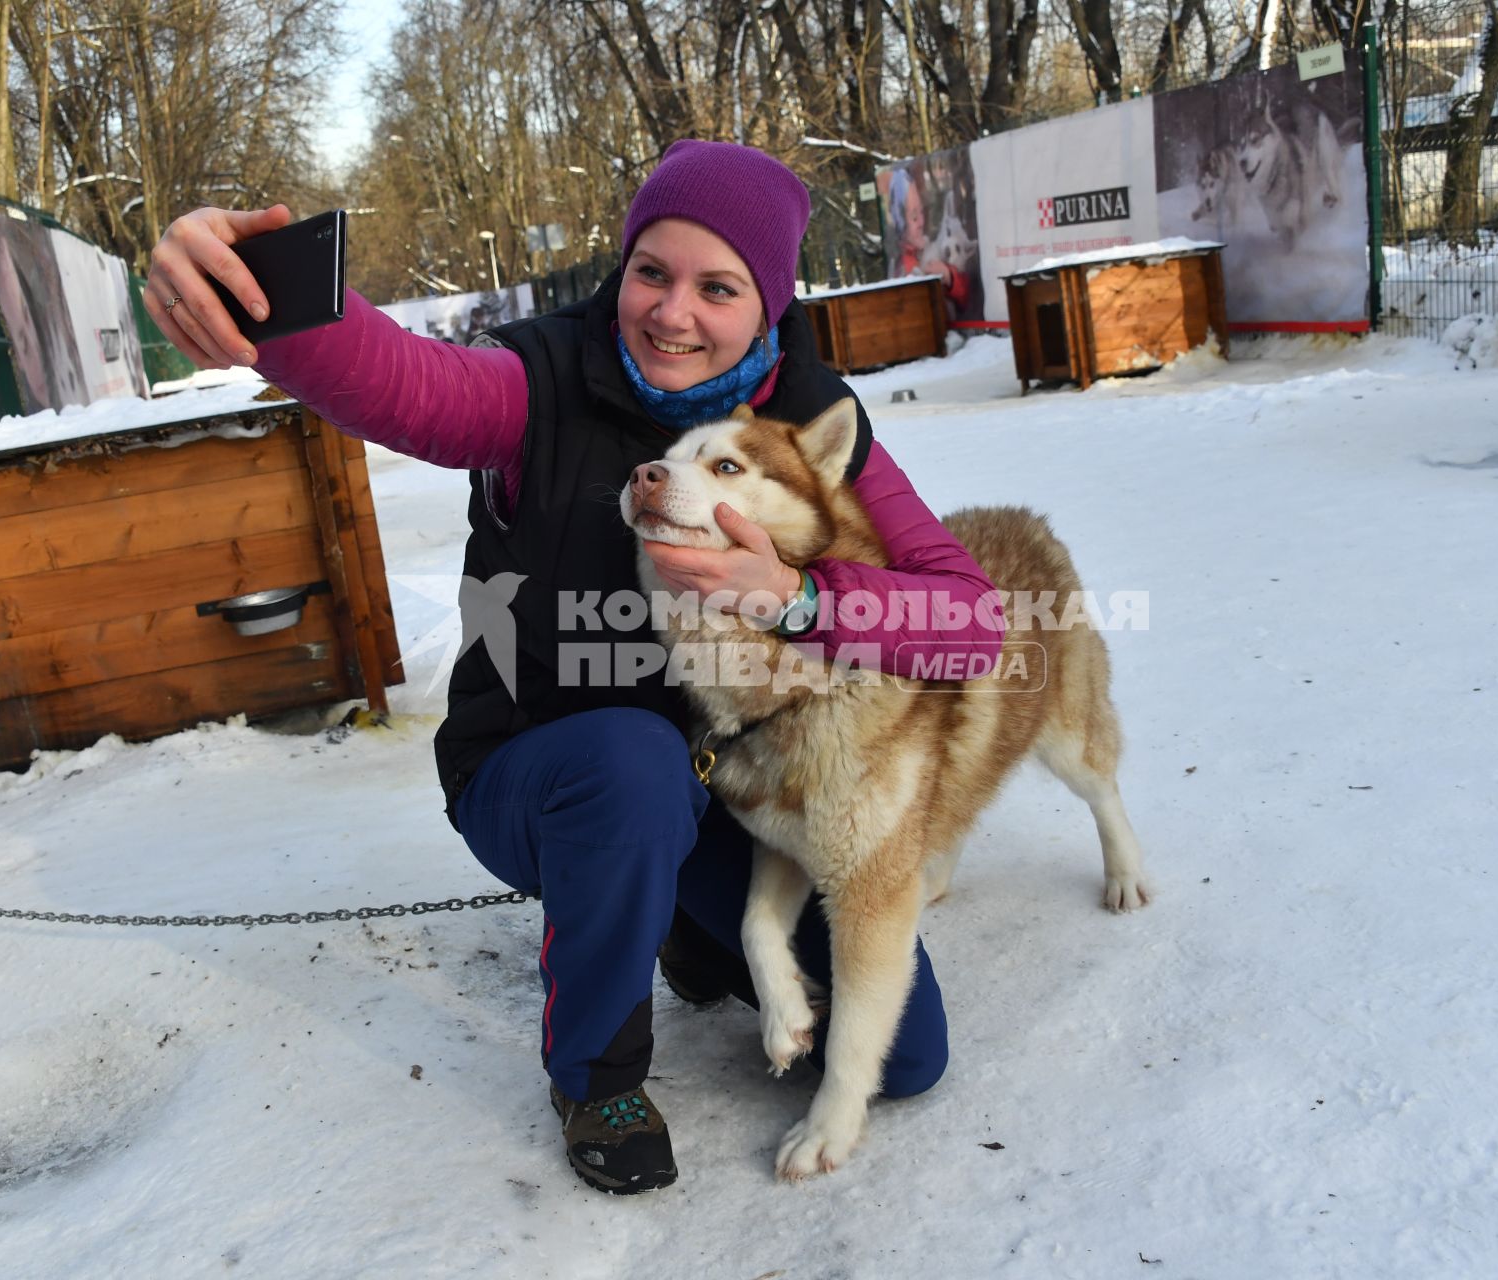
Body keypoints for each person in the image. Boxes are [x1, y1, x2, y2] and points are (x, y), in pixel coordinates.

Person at [145, 140, 1003, 1195]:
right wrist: (269, 304)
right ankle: (596, 1071)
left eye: (718, 287)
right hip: (541, 768)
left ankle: (682, 918)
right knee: (633, 762)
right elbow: (408, 383)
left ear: (768, 305)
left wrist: (798, 596)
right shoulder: (542, 382)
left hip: (724, 787)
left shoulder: (810, 426)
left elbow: (971, 622)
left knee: (905, 1056)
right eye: (653, 270)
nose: (672, 311)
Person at [887, 165, 972, 319]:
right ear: (900, 223)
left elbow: (967, 298)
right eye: (913, 217)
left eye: (921, 212)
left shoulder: (932, 248)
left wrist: (949, 276)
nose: (921, 222)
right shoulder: (899, 265)